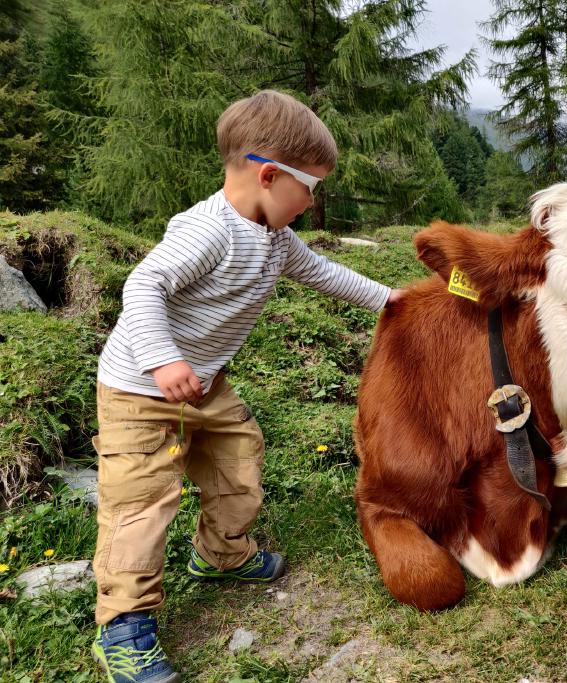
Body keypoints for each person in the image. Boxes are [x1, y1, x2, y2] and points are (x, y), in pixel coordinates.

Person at [90, 90, 402, 683]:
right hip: (139, 392)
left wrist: (391, 300)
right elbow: (143, 285)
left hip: (204, 387)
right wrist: (163, 360)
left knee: (240, 461)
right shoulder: (207, 231)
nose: (312, 203)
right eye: (310, 189)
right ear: (268, 175)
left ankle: (222, 554)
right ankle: (124, 627)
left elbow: (322, 273)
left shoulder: (276, 238)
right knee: (139, 506)